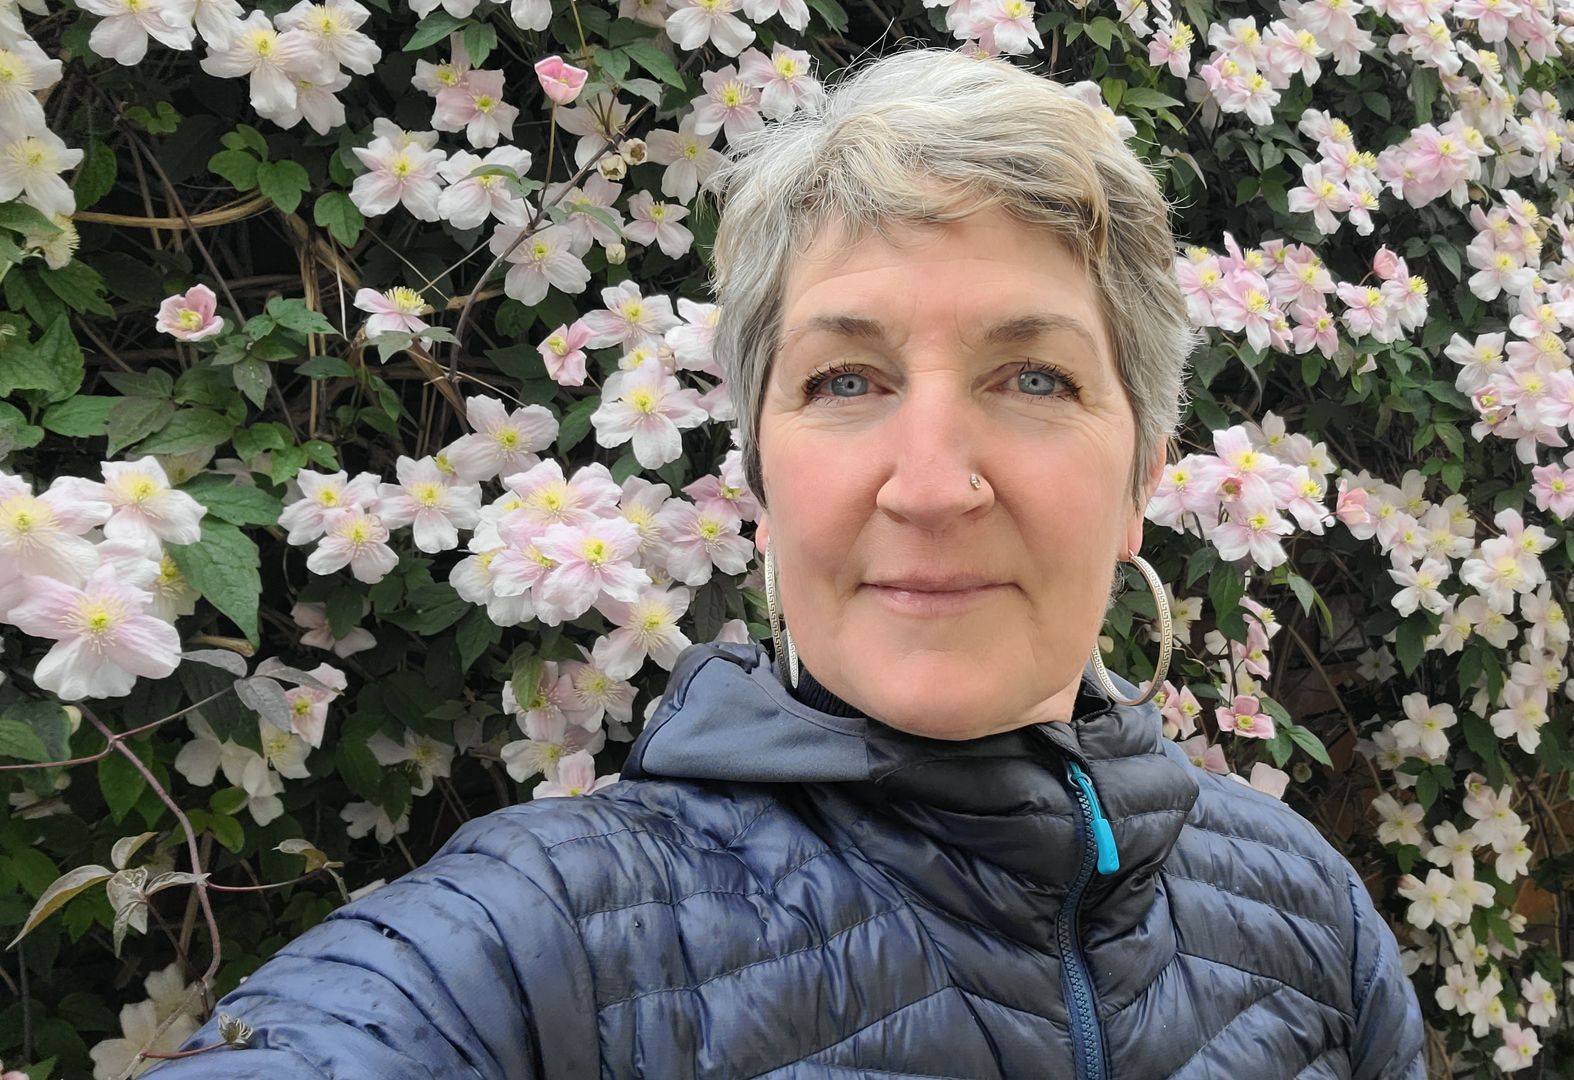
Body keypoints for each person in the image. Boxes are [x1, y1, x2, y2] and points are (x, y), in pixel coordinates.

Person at [150, 47, 1427, 1079]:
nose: (930, 485)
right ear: (761, 484)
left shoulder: (1309, 915)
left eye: (1035, 378)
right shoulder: (542, 938)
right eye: (845, 380)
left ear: (1143, 474)